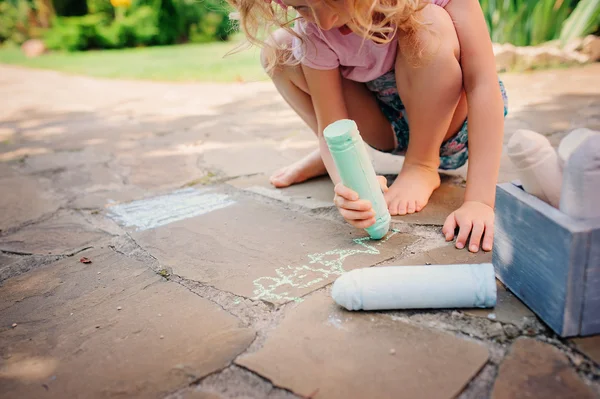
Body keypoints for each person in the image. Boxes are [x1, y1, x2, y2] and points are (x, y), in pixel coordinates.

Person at [227, 0, 508, 252]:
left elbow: (482, 83)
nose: (323, 22)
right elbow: (333, 122)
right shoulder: (315, 28)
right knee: (281, 48)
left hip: (452, 126)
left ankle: (422, 164)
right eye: (301, 7)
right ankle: (347, 155)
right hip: (386, 128)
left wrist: (480, 202)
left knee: (429, 21)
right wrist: (350, 187)